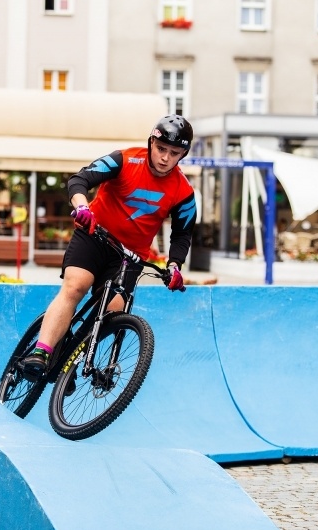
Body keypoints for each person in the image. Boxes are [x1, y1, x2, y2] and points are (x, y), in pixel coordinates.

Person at [20, 114, 197, 380]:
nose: (165, 158)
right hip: (94, 236)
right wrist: (83, 207)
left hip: (129, 256)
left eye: (174, 153)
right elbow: (79, 180)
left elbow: (182, 233)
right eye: (161, 149)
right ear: (151, 142)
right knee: (76, 286)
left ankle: (69, 361)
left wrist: (174, 265)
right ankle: (42, 352)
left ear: (183, 155)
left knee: (114, 310)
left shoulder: (183, 191)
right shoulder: (124, 159)